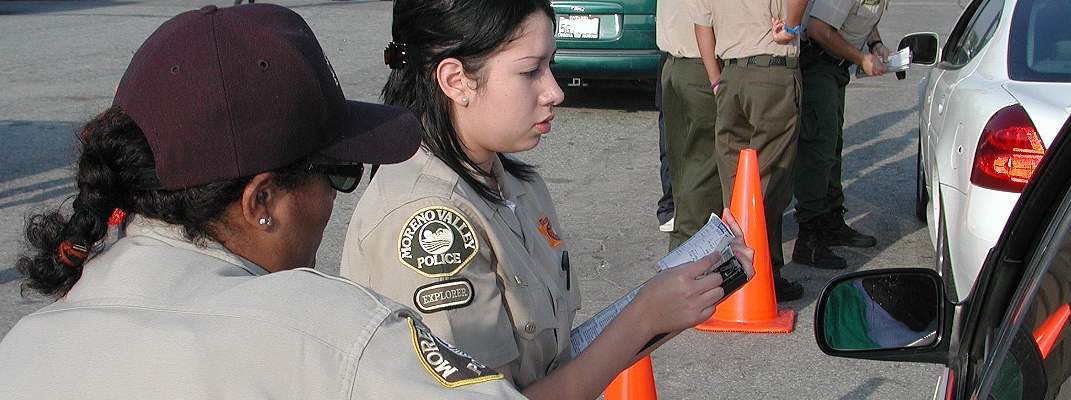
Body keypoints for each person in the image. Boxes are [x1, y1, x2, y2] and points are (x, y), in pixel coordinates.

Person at [0, 4, 529, 398]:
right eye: (339, 172)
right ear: (262, 201)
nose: (336, 200)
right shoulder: (341, 340)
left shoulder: (23, 349)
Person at [339, 0, 755, 398]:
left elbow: (554, 366)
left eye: (550, 65)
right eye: (530, 71)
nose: (554, 91)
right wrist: (643, 317)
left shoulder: (512, 183)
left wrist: (674, 302)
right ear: (456, 81)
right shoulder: (429, 222)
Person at [695, 0, 809, 301]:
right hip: (771, 71)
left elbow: (702, 24)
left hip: (731, 74)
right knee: (769, 180)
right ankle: (759, 272)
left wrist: (716, 79)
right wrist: (793, 27)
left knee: (734, 185)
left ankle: (732, 269)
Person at [790, 0, 885, 269]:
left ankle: (831, 222)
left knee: (831, 147)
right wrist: (862, 59)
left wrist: (874, 44)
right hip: (817, 64)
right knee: (818, 151)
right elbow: (818, 28)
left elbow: (867, 17)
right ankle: (809, 237)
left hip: (835, 68)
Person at [658, 0, 723, 249]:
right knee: (704, 171)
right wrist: (716, 77)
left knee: (683, 172)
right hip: (703, 64)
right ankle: (689, 257)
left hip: (675, 63)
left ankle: (680, 252)